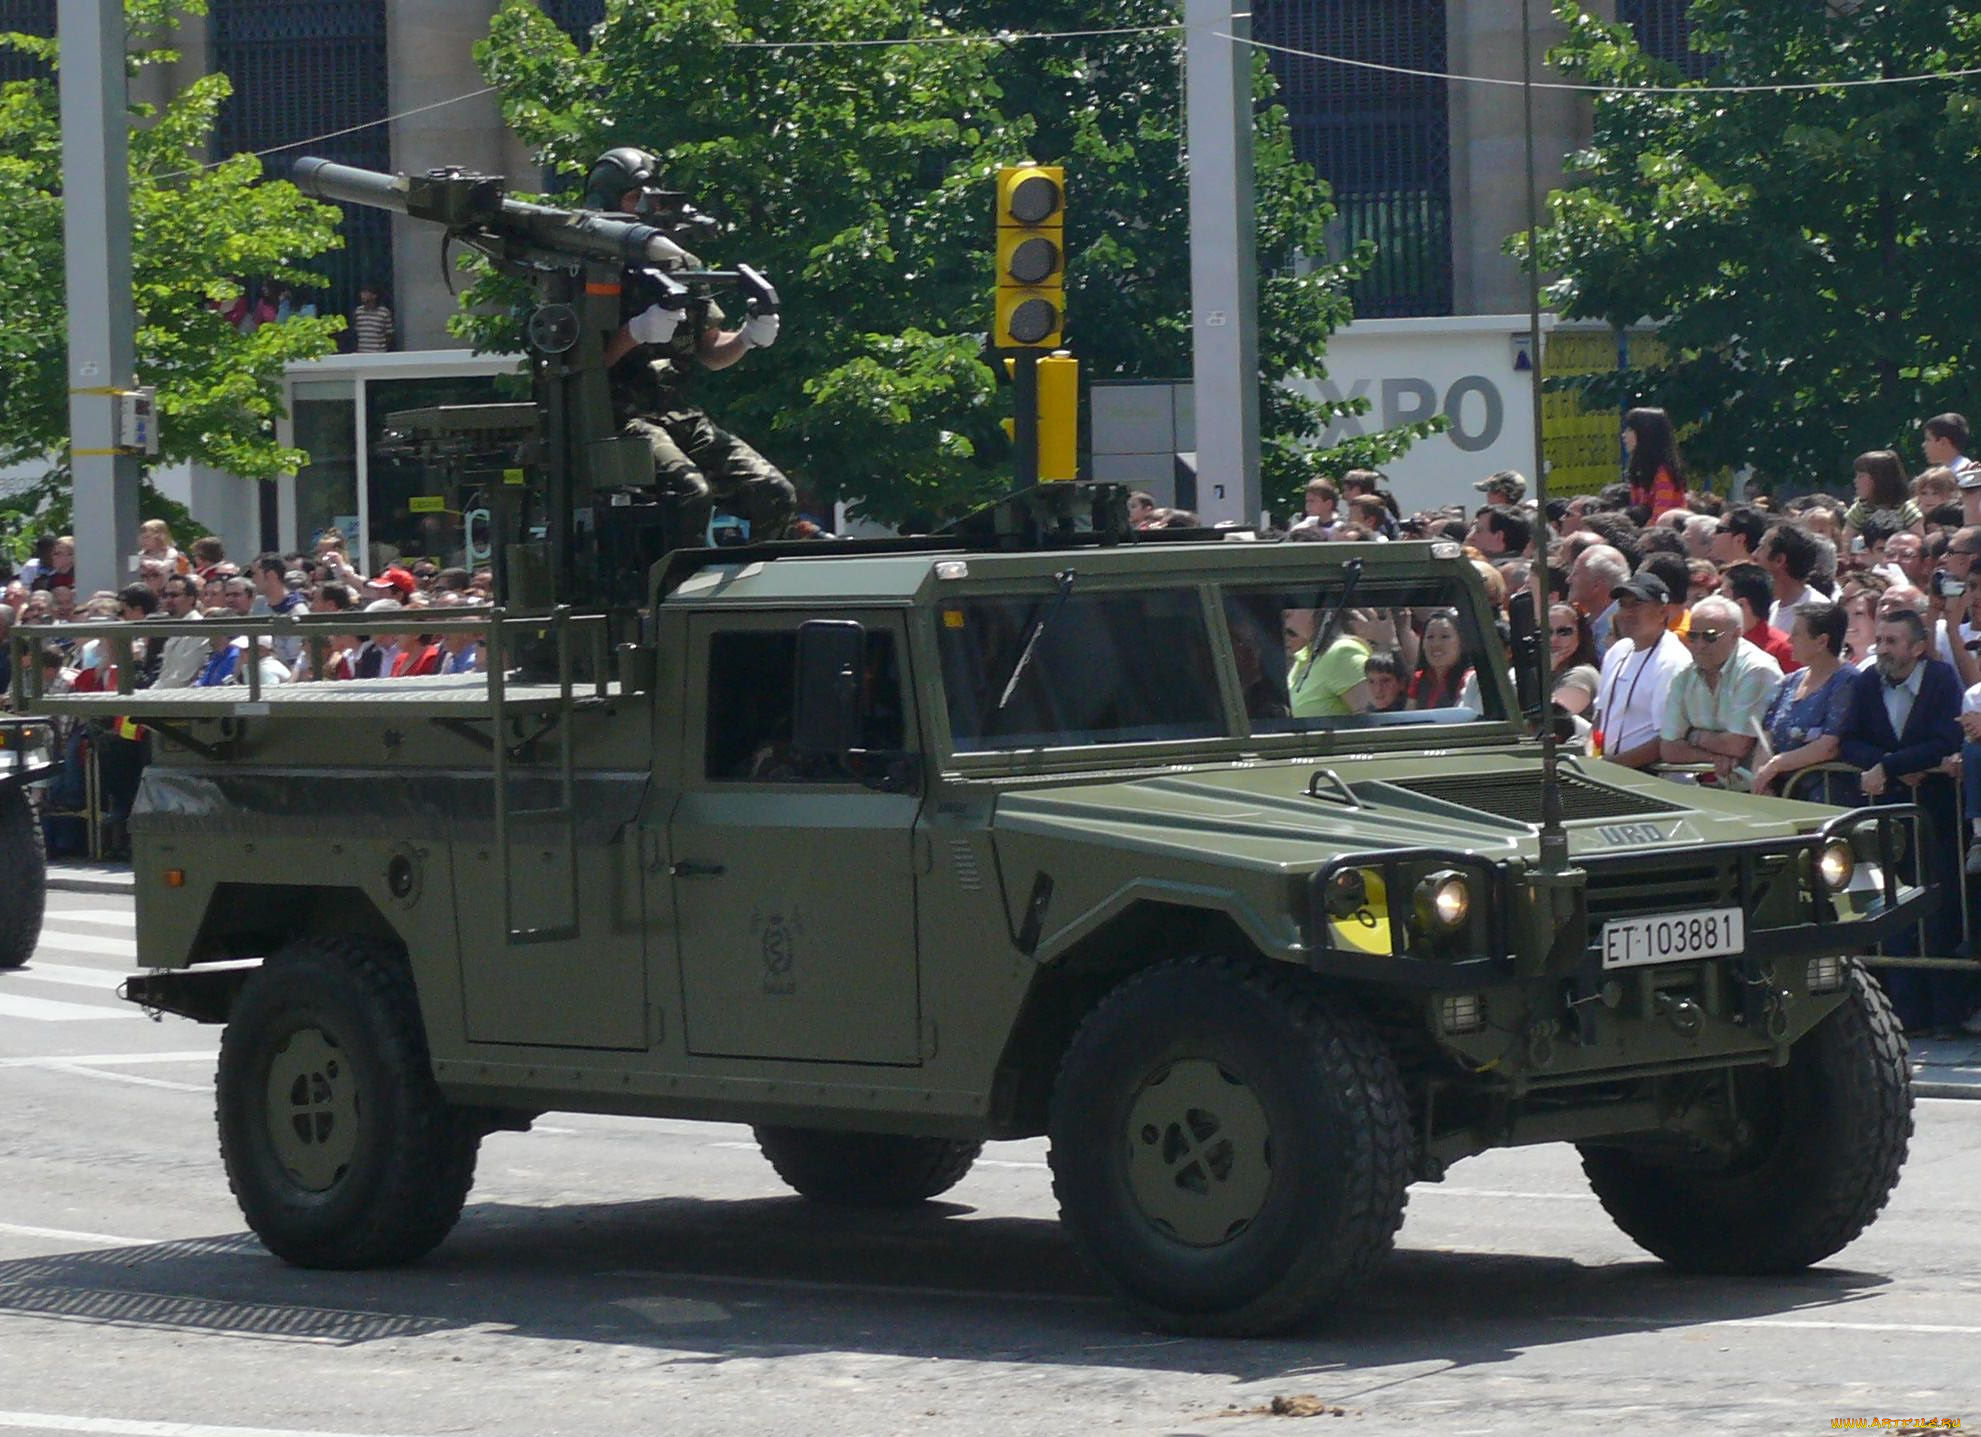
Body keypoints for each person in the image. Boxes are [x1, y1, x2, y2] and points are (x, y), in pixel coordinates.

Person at [587, 147, 795, 543]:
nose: (647, 207)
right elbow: (582, 366)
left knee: (774, 493)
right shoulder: (588, 270)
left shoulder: (680, 264)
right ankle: (673, 595)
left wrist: (749, 336)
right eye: (635, 197)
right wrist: (634, 331)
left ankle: (750, 592)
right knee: (689, 494)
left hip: (679, 414)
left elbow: (710, 350)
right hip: (620, 418)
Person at [1838, 607, 1965, 1033]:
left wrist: (1891, 765)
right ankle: (1904, 1016)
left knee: (1938, 914)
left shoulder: (1941, 679)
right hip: (1885, 821)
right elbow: (1849, 741)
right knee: (1891, 914)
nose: (1883, 650)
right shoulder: (1867, 680)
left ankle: (1944, 1015)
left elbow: (1946, 739)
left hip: (1934, 817)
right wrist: (1886, 766)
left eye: (1893, 642)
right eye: (1880, 641)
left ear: (1918, 647)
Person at [1657, 595, 1783, 786]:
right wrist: (1713, 759)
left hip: (1756, 790)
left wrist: (1692, 735)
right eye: (1693, 636)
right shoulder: (1684, 675)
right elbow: (1669, 748)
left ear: (1736, 634)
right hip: (1705, 787)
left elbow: (1737, 745)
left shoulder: (1756, 670)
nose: (1699, 645)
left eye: (1709, 636)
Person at [1753, 602, 1855, 802]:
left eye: (1796, 634)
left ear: (1821, 641)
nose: (1789, 639)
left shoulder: (1848, 681)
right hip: (1778, 796)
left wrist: (1775, 765)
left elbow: (1828, 745)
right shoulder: (1790, 681)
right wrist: (1761, 780)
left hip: (1823, 798)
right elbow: (1766, 735)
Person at [1591, 571, 1690, 769]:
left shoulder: (1673, 660)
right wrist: (1592, 757)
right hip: (1611, 773)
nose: (1627, 613)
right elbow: (1601, 716)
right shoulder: (1617, 651)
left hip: (1653, 779)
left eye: (1636, 604)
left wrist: (1610, 767)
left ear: (1662, 612)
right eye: (1623, 605)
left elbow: (1666, 740)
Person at [1287, 607, 1397, 718]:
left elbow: (1372, 721)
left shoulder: (1343, 653)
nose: (1289, 609)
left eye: (1300, 602)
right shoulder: (1305, 655)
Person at [1843, 450, 1922, 544]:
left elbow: (1919, 540)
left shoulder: (1905, 509)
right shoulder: (1861, 508)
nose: (1855, 481)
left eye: (1861, 476)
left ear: (1879, 480)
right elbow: (1846, 538)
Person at [1622, 406, 1686, 520]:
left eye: (1630, 430)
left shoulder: (1664, 473)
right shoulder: (1639, 469)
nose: (1624, 435)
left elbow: (1659, 517)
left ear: (1645, 434)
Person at [1756, 520, 1821, 631]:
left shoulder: (1816, 612)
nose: (1754, 555)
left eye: (1761, 547)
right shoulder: (1774, 608)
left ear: (1779, 560)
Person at [1408, 609, 1471, 709]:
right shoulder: (1419, 679)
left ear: (1462, 642)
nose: (1436, 644)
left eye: (1445, 636)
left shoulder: (1470, 679)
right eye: (1430, 637)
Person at [1549, 603, 1602, 718]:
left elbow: (1551, 719)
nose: (1553, 639)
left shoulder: (1582, 675)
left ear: (1580, 635)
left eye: (1564, 632)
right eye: (1547, 632)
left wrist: (1546, 671)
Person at [1922, 411, 1974, 483]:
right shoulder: (1948, 473)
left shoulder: (1964, 475)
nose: (1923, 445)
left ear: (1943, 442)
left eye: (1928, 439)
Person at [351, 283, 394, 353]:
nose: (362, 295)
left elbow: (389, 335)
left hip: (379, 354)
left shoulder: (384, 312)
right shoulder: (358, 312)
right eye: (362, 293)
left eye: (366, 293)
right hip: (362, 353)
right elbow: (355, 333)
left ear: (374, 296)